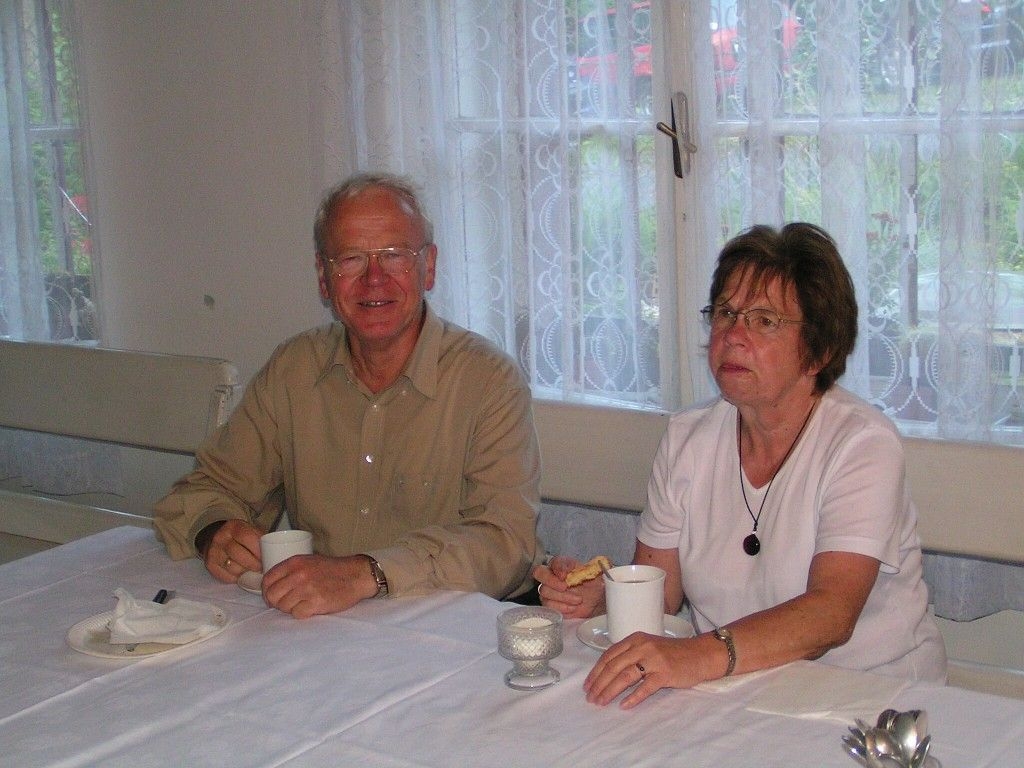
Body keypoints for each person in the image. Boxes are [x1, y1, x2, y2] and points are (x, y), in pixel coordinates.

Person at [534, 222, 946, 708]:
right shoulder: (686, 438)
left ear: (820, 350)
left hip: (871, 701)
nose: (732, 335)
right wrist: (601, 600)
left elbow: (831, 616)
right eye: (726, 313)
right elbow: (661, 597)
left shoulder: (861, 444)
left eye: (764, 320)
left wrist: (696, 656)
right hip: (735, 693)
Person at [154, 172, 541, 618]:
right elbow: (207, 488)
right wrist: (215, 530)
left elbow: (505, 543)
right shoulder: (294, 369)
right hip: (321, 627)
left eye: (394, 256)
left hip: (452, 629)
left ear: (429, 266)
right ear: (324, 277)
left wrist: (366, 574)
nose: (374, 279)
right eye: (352, 259)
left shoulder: (487, 379)